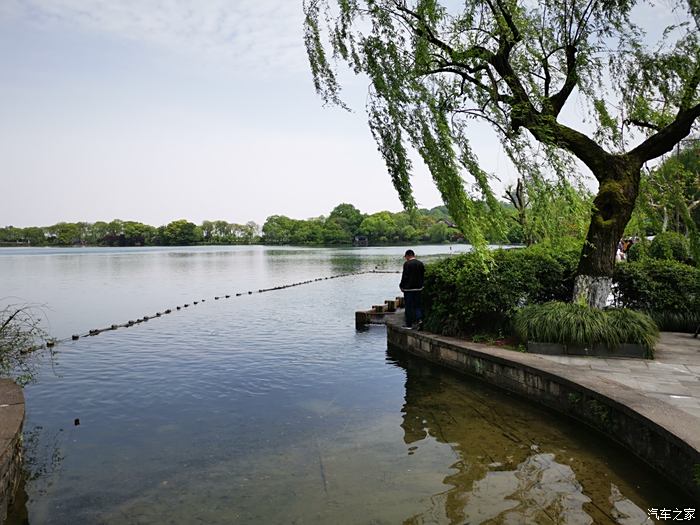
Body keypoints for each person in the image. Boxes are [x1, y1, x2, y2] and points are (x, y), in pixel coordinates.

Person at [400, 249, 425, 329]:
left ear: (408, 255)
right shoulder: (420, 263)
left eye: (406, 257)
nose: (406, 258)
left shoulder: (407, 264)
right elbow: (422, 275)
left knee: (408, 307)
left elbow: (405, 276)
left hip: (408, 289)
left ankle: (409, 324)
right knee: (418, 306)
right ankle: (420, 320)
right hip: (418, 288)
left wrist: (401, 285)